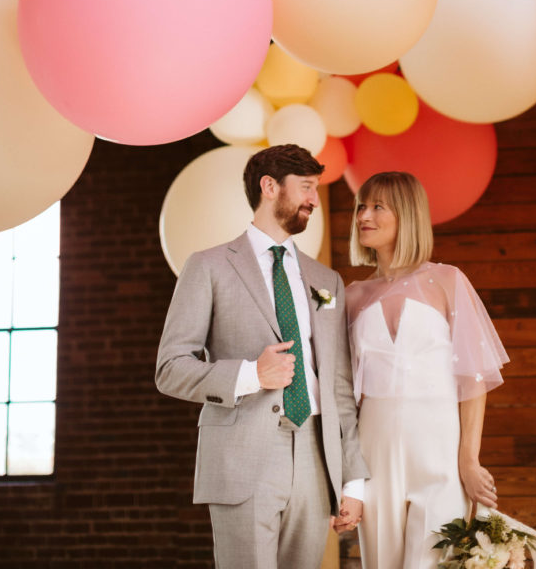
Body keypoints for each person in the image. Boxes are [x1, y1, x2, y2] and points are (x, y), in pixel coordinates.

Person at [156, 143, 368, 569]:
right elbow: (170, 369)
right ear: (269, 187)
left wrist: (354, 480)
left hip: (315, 453)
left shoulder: (326, 280)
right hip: (243, 454)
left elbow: (338, 386)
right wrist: (252, 374)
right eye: (305, 187)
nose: (312, 198)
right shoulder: (209, 266)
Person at [345, 171, 509, 569]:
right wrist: (347, 480)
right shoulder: (353, 295)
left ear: (406, 214)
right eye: (361, 206)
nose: (364, 215)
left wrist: (468, 461)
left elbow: (472, 381)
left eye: (377, 206)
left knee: (436, 561)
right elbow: (343, 393)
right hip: (374, 445)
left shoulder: (447, 281)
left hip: (437, 445)